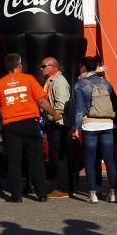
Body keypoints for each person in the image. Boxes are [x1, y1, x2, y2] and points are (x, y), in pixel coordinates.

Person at [0, 53, 61, 203]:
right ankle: (41, 194)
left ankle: (16, 195)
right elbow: (41, 101)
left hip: (11, 126)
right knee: (36, 160)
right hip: (30, 123)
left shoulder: (0, 83)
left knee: (14, 161)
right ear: (19, 65)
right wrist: (54, 114)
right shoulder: (28, 79)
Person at [73, 56, 117, 204]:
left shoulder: (80, 84)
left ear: (83, 67)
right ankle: (112, 192)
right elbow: (115, 104)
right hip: (107, 124)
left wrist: (76, 127)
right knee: (109, 159)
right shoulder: (106, 83)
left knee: (90, 159)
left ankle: (93, 193)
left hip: (90, 124)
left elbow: (80, 109)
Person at [41, 57, 73, 198]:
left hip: (58, 123)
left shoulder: (59, 81)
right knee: (58, 155)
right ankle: (64, 185)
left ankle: (63, 187)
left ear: (53, 66)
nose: (41, 68)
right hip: (53, 122)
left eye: (44, 66)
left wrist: (55, 115)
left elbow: (62, 103)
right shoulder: (51, 80)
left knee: (60, 156)